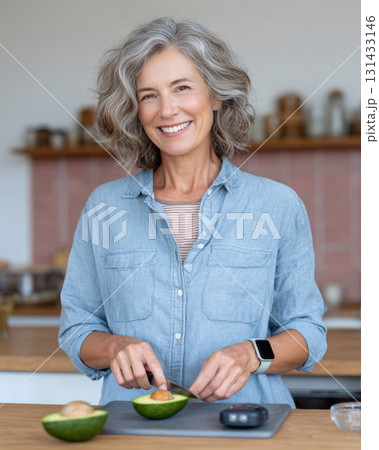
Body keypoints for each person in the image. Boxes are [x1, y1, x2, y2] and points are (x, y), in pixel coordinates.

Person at [59, 17, 327, 407]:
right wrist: (115, 346)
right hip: (134, 431)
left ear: (215, 96)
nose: (167, 110)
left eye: (182, 88)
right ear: (136, 109)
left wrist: (252, 354)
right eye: (149, 95)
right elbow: (77, 328)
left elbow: (307, 332)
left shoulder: (278, 205)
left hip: (250, 427)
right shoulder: (105, 206)